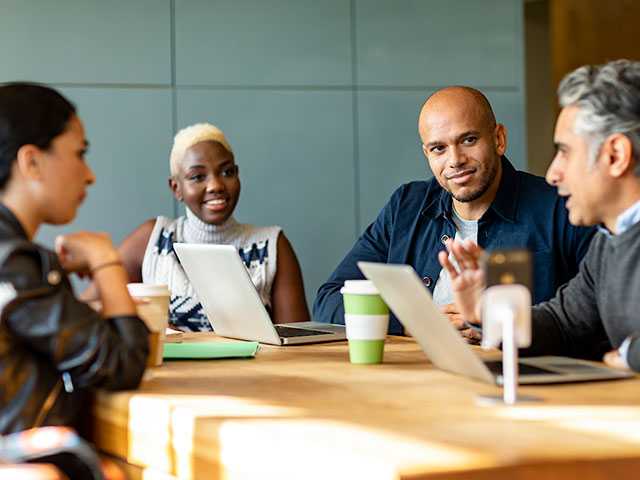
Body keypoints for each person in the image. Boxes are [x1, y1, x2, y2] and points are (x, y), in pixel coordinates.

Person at [314, 86, 595, 336]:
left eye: (469, 140)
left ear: (498, 139)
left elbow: (599, 316)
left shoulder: (562, 207)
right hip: (413, 380)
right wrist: (416, 322)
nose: (455, 160)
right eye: (439, 148)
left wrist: (492, 324)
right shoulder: (406, 206)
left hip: (515, 378)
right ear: (427, 154)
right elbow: (328, 301)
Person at [440, 59, 640, 371]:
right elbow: (563, 323)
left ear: (616, 156)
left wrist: (630, 356)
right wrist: (488, 313)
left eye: (565, 152)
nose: (553, 174)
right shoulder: (608, 242)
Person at [0, 83, 149, 434]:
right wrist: (105, 261)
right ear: (32, 162)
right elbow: (123, 364)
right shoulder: (14, 261)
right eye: (79, 153)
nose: (90, 174)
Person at [116, 123, 310, 331]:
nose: (216, 185)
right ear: (176, 188)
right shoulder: (152, 238)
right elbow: (94, 308)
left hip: (249, 365)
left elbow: (297, 346)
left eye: (227, 172)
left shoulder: (272, 245)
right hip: (171, 365)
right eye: (198, 177)